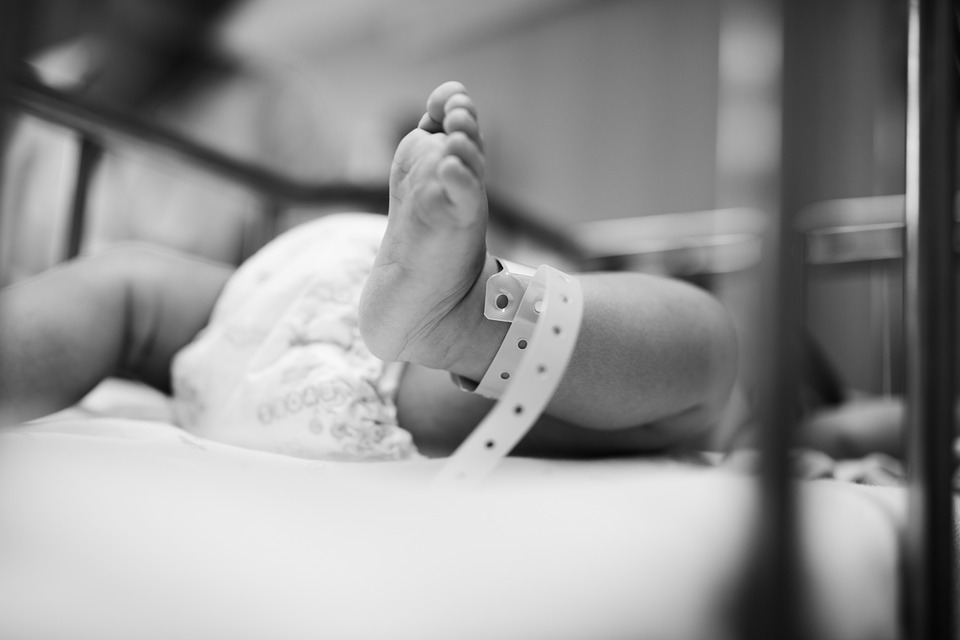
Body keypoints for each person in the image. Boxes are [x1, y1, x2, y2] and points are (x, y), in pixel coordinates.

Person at [0, 81, 739, 460]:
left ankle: (464, 309)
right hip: (404, 358)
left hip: (261, 303)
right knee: (708, 351)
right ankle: (472, 314)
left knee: (125, 288)